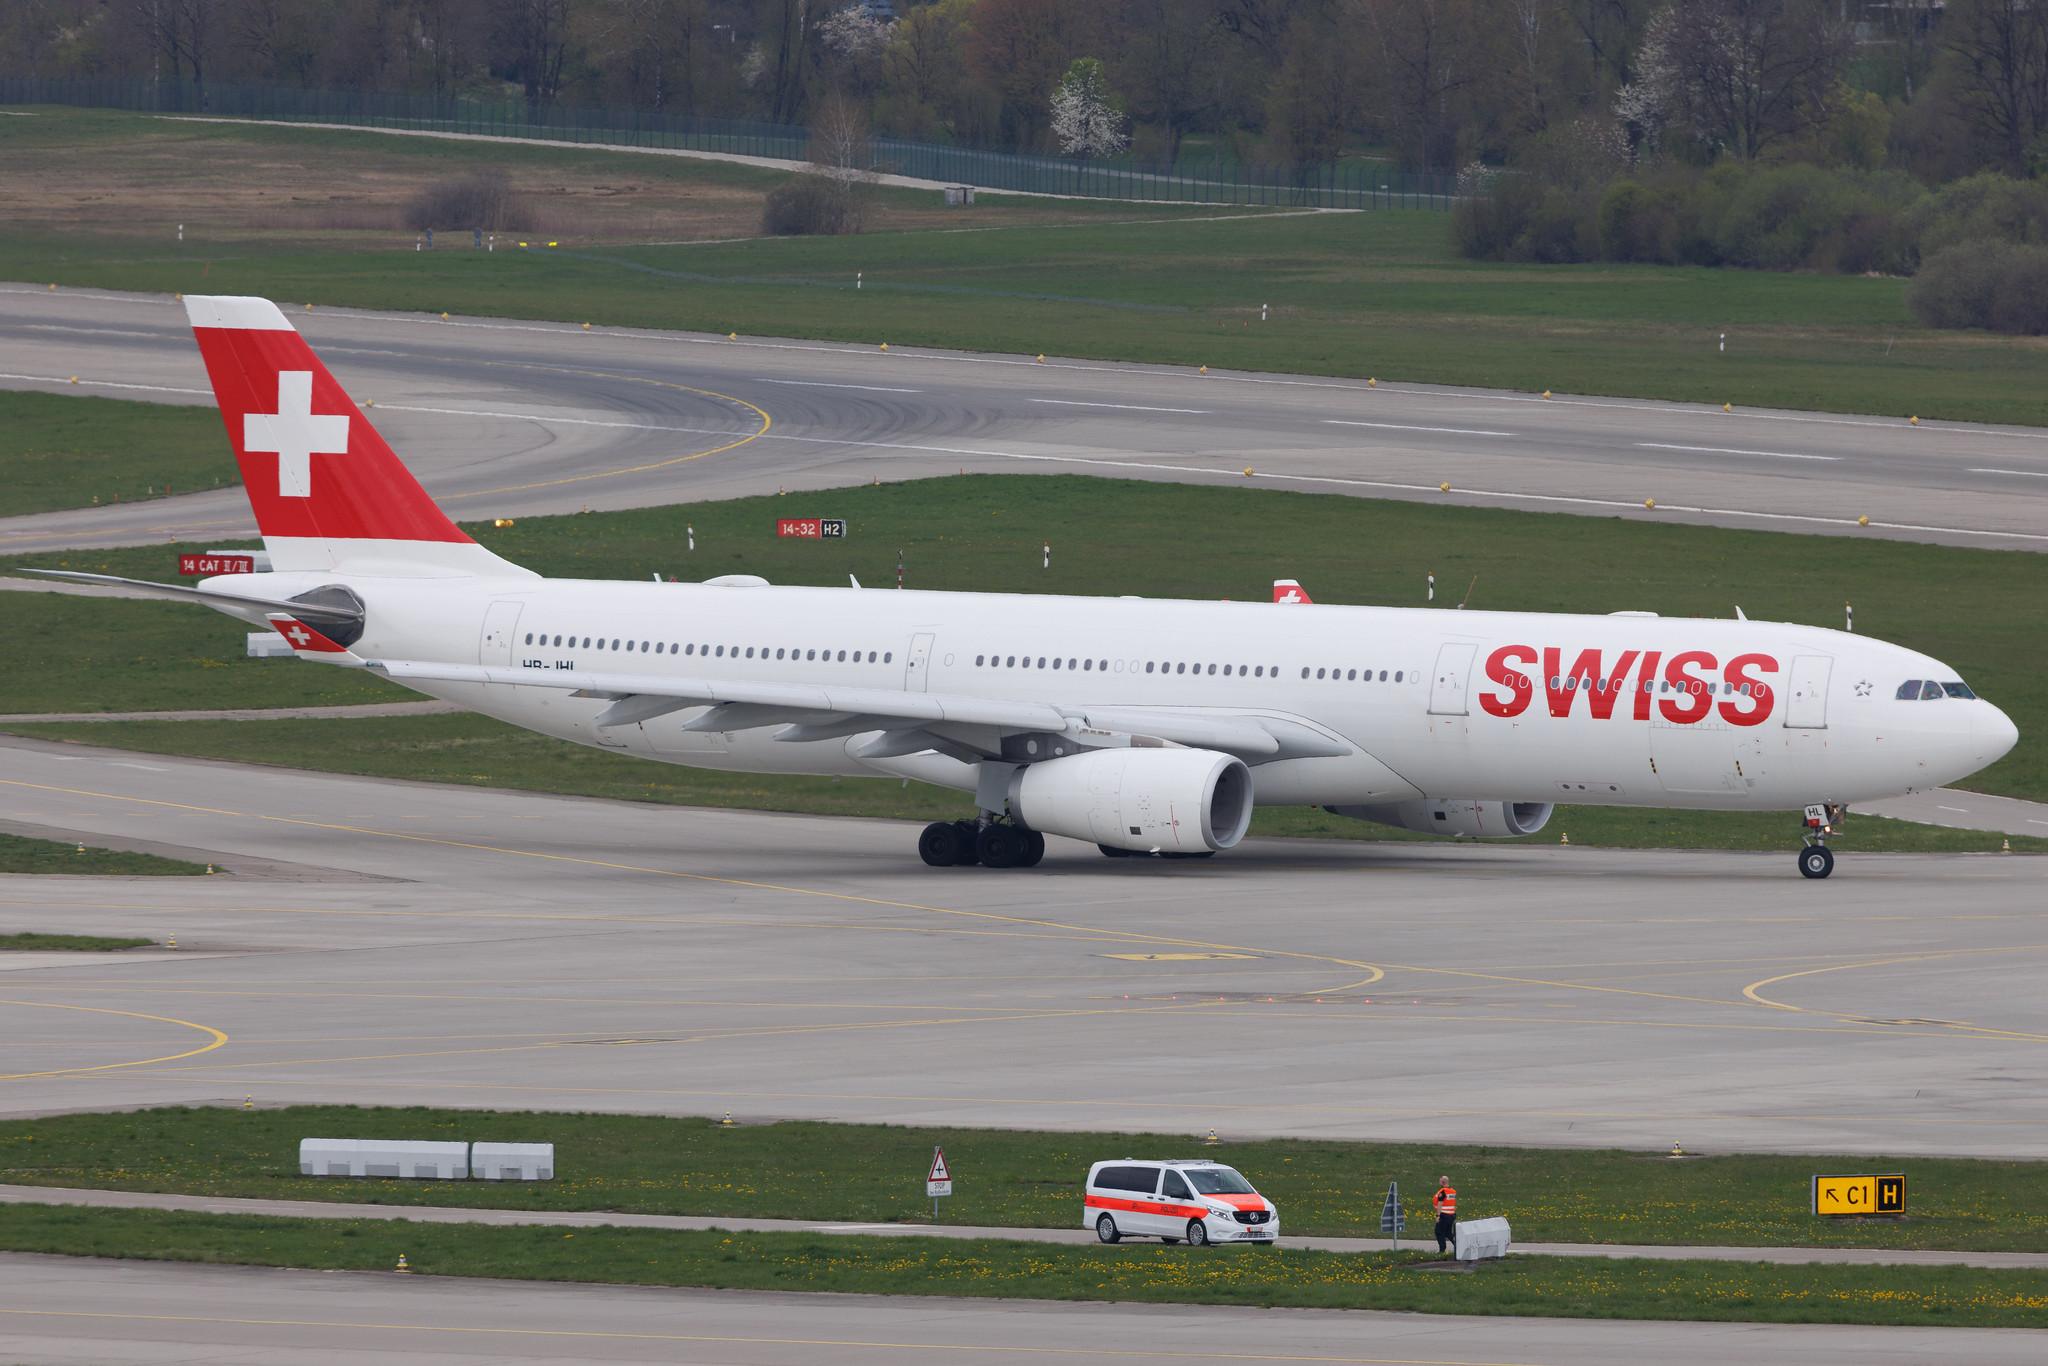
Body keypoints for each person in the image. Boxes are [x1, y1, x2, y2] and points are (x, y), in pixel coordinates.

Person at [1432, 1175, 1458, 1255]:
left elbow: (1440, 1204)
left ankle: (1442, 1250)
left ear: (1442, 1182)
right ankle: (1458, 1246)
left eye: (1440, 1180)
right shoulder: (1452, 1191)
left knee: (1439, 1232)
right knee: (1448, 1233)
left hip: (1444, 1215)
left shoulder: (1442, 1192)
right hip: (1451, 1215)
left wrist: (1438, 1216)